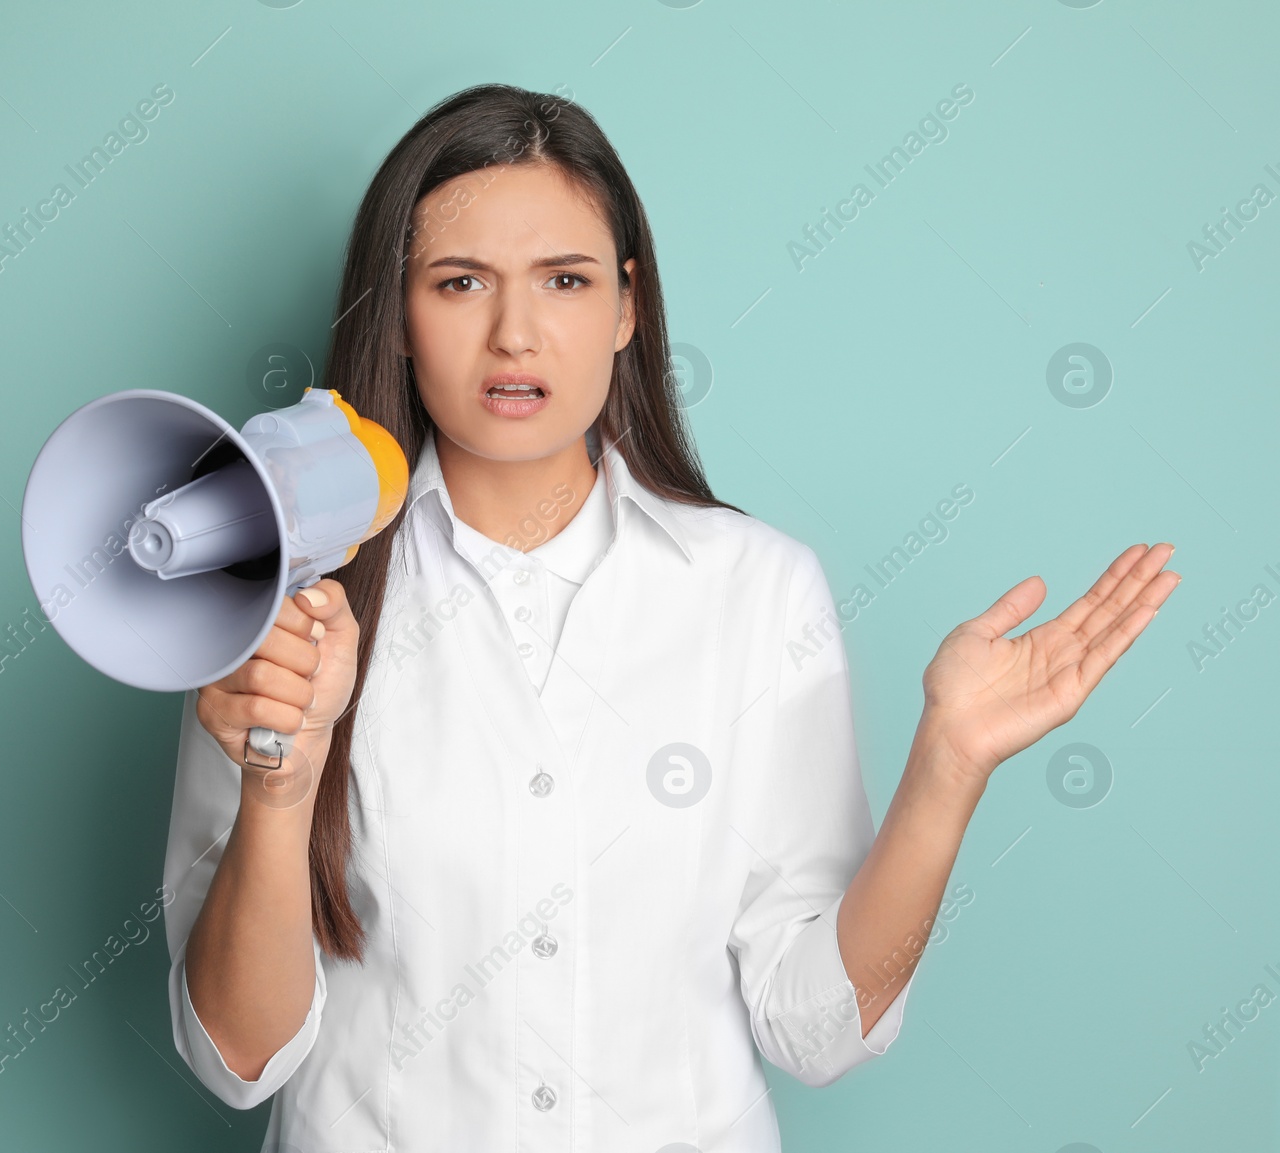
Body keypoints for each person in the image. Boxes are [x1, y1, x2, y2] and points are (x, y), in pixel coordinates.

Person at [160, 83, 1180, 1152]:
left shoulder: (756, 592)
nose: (515, 334)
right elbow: (238, 1055)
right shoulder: (277, 601)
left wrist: (948, 767)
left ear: (625, 307)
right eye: (459, 283)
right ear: (399, 317)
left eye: (564, 279)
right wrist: (283, 778)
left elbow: (817, 1029)